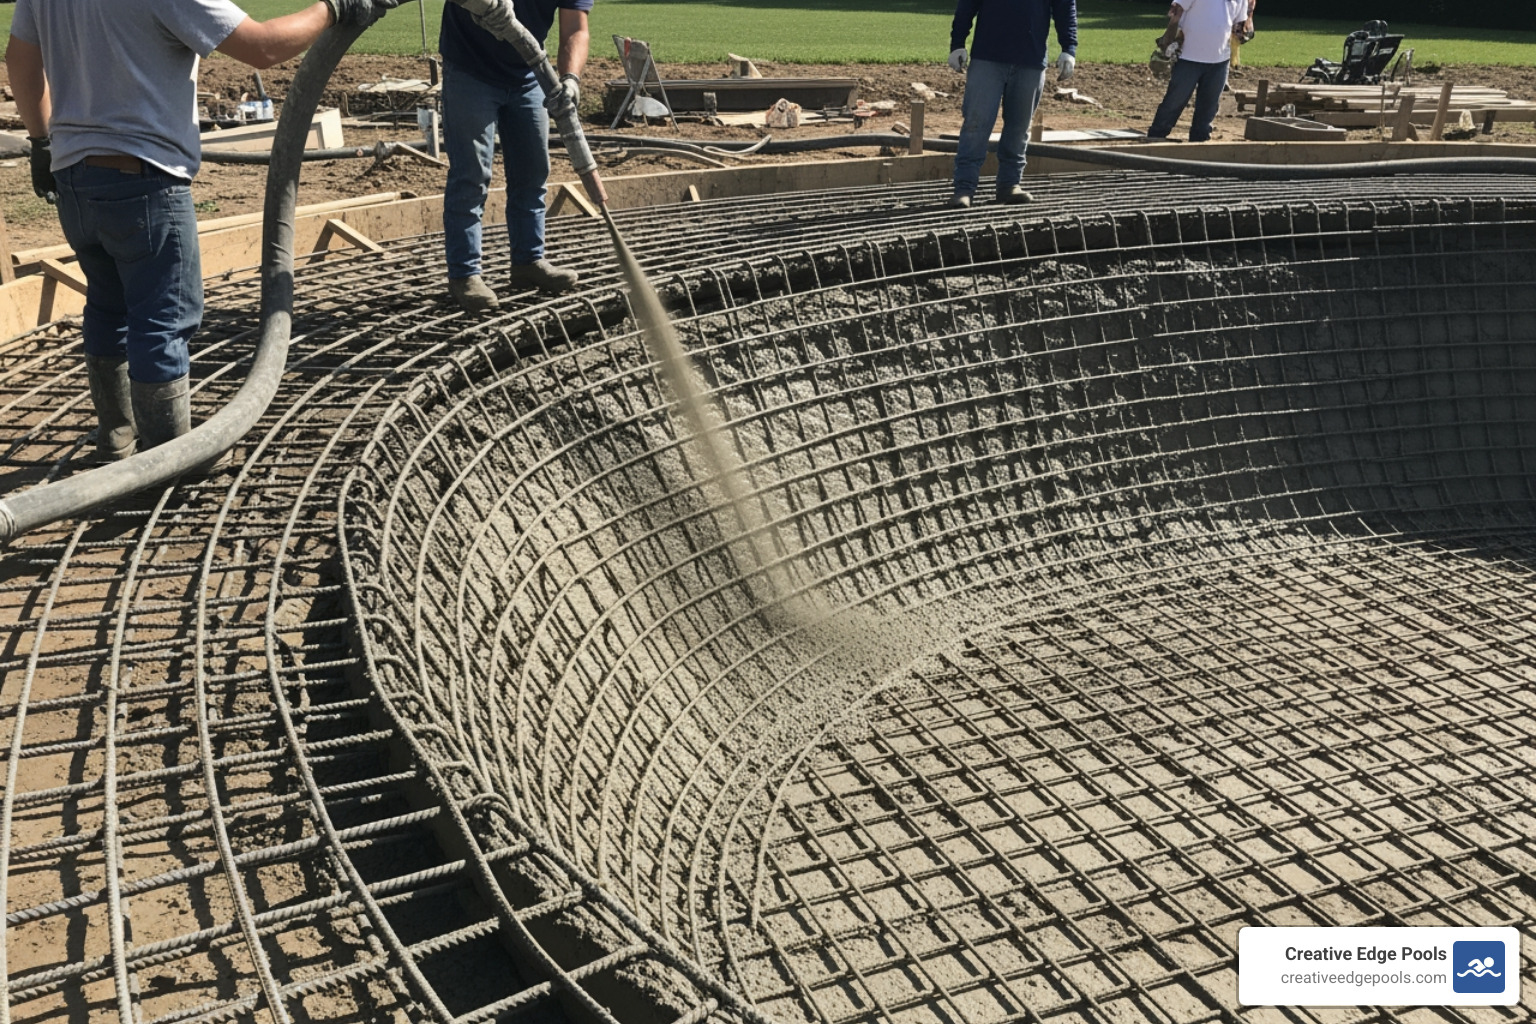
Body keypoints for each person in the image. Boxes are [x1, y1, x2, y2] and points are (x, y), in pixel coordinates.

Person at [5, 0, 393, 465]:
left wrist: (41, 141)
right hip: (143, 181)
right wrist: (334, 7)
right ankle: (169, 458)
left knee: (108, 308)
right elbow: (263, 47)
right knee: (162, 319)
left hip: (74, 180)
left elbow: (19, 58)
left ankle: (116, 437)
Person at [440, 0, 592, 313]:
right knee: (471, 175)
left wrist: (571, 79)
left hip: (528, 74)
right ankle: (465, 275)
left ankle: (528, 261)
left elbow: (576, 28)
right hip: (470, 69)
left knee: (532, 172)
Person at [947, 0, 1078, 209]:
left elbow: (1065, 6)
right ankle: (964, 188)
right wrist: (957, 43)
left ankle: (1009, 185)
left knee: (1019, 128)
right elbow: (968, 4)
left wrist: (1069, 47)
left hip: (1031, 59)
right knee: (976, 125)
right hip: (987, 57)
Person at [1147, 0, 1255, 142]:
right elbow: (1176, 12)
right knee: (1175, 100)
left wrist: (1245, 27)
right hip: (1188, 57)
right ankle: (1156, 135)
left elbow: (1238, 25)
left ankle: (1200, 140)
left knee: (1209, 105)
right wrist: (1167, 39)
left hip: (1220, 60)